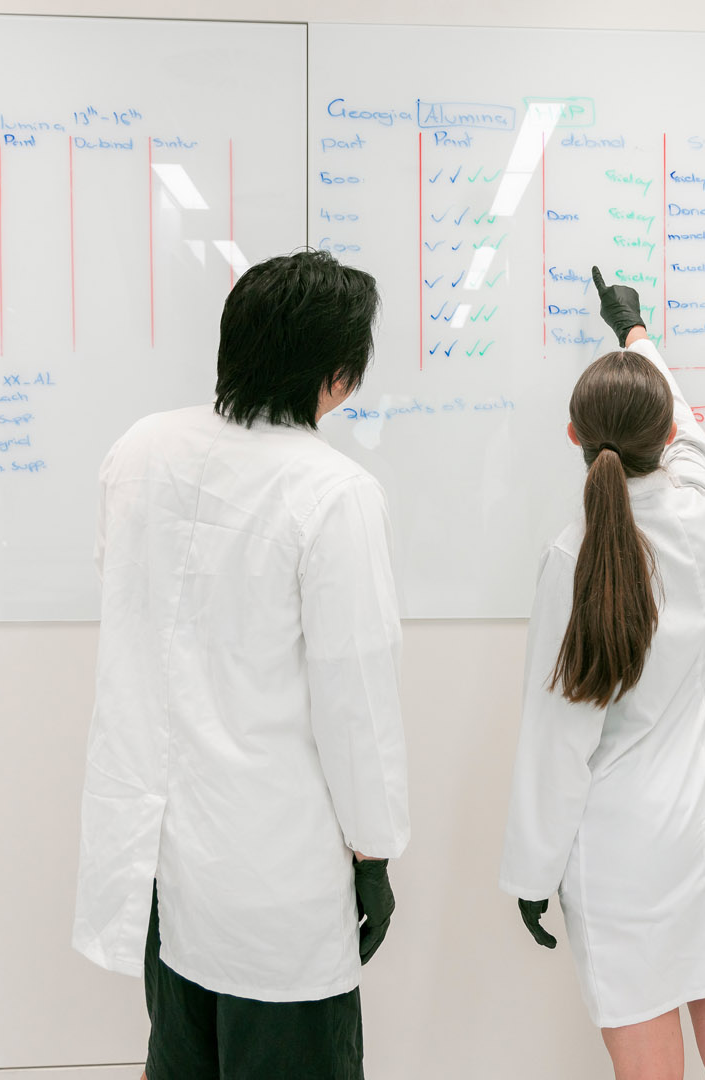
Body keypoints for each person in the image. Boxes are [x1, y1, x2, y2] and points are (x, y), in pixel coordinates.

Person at [72, 249, 409, 1080]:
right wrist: (374, 853)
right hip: (274, 874)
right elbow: (354, 699)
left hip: (160, 855)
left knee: (182, 1059)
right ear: (337, 373)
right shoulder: (334, 492)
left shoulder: (142, 449)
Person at [500, 268, 705, 1080]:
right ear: (669, 434)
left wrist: (532, 873)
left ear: (573, 437)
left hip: (626, 853)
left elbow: (557, 736)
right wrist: (634, 333)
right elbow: (687, 419)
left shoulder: (572, 557)